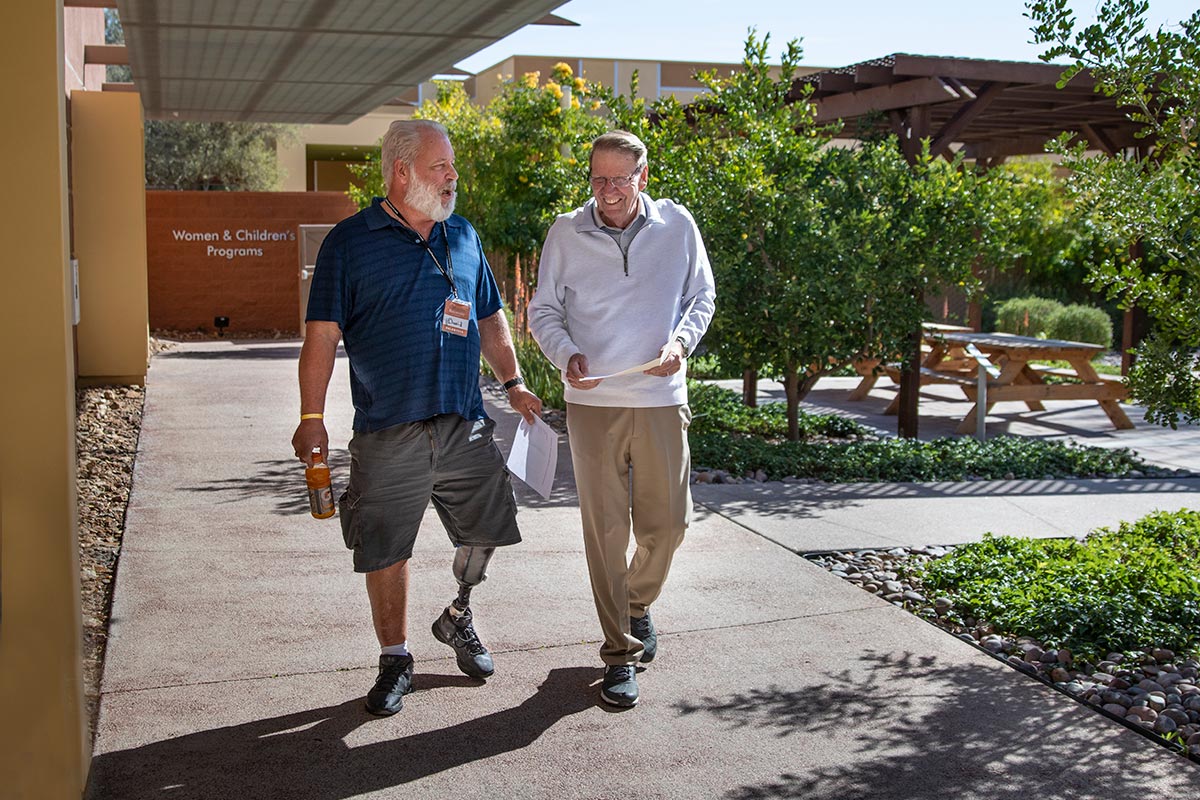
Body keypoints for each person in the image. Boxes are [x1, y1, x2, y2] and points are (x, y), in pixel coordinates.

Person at [292, 119, 542, 717]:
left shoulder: (463, 236)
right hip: (388, 426)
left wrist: (514, 381)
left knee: (487, 531)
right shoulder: (349, 243)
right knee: (386, 548)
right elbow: (322, 335)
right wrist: (311, 415)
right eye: (440, 167)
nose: (453, 177)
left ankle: (457, 614)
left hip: (463, 420)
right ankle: (396, 657)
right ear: (401, 171)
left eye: (452, 167)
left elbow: (487, 319)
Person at [528, 130, 716, 707]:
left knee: (670, 526)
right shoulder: (565, 231)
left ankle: (635, 603)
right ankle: (619, 651)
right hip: (593, 404)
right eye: (598, 178)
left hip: (661, 399)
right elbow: (542, 310)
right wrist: (566, 355)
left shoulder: (677, 227)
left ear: (644, 175)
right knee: (605, 532)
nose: (608, 192)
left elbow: (700, 296)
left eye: (620, 178)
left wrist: (681, 344)